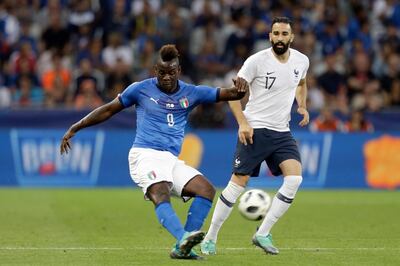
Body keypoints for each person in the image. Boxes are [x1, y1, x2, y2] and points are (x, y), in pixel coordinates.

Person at [59, 44, 248, 260]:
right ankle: (183, 238)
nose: (166, 77)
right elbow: (108, 109)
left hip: (170, 159)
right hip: (145, 155)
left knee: (206, 190)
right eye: (161, 72)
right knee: (160, 191)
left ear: (178, 71)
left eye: (170, 72)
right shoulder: (140, 89)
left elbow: (229, 94)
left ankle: (182, 247)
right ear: (154, 71)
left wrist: (241, 90)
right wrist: (76, 127)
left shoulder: (191, 92)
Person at [201, 17, 310, 256]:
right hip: (255, 129)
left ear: (291, 37)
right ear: (269, 36)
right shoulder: (255, 62)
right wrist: (242, 123)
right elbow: (233, 95)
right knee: (237, 185)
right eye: (276, 34)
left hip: (282, 131)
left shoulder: (302, 61)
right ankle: (210, 238)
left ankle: (262, 233)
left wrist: (301, 105)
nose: (280, 38)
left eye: (284, 34)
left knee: (294, 180)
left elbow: (301, 83)